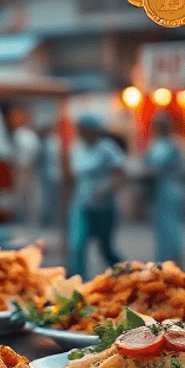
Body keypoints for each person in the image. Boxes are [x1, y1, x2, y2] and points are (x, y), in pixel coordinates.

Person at [67, 114, 127, 277]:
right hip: (82, 204)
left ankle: (125, 275)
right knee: (77, 245)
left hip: (103, 206)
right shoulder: (77, 147)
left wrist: (108, 188)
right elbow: (74, 176)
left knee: (105, 248)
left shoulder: (106, 147)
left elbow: (121, 172)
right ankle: (78, 283)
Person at [143, 111, 185, 265]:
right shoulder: (156, 143)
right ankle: (165, 259)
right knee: (161, 225)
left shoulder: (174, 144)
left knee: (171, 225)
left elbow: (156, 167)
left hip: (170, 188)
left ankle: (175, 258)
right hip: (158, 190)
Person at [8, 107, 41, 225]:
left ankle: (30, 220)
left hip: (29, 168)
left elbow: (35, 152)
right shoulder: (18, 134)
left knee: (30, 196)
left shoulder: (29, 134)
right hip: (20, 167)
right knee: (18, 195)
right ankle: (17, 219)